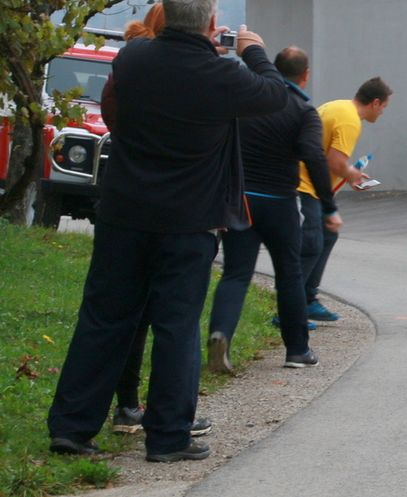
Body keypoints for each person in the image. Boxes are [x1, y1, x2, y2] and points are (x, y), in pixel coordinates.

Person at [47, 0, 288, 462]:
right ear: (212, 24)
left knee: (103, 318)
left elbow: (118, 105)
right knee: (176, 326)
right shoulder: (223, 75)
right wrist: (253, 51)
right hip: (188, 221)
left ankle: (72, 428)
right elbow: (277, 95)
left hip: (124, 210)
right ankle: (168, 436)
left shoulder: (133, 58)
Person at [101, 0, 211, 439]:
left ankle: (125, 403)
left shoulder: (128, 67)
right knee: (173, 322)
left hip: (126, 201)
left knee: (125, 315)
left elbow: (113, 119)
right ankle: (169, 418)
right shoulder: (190, 72)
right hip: (176, 212)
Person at [206, 46, 341, 374]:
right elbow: (313, 155)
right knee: (289, 274)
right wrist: (328, 206)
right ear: (305, 75)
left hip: (241, 200)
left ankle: (220, 333)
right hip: (280, 202)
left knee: (236, 273)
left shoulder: (245, 104)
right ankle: (297, 350)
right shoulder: (303, 111)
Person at [296, 78, 392, 322]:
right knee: (312, 245)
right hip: (306, 185)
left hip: (309, 184)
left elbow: (326, 153)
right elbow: (335, 161)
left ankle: (308, 299)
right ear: (375, 102)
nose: (382, 112)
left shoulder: (335, 106)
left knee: (327, 235)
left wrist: (349, 176)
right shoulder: (351, 121)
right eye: (383, 107)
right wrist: (351, 173)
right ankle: (292, 308)